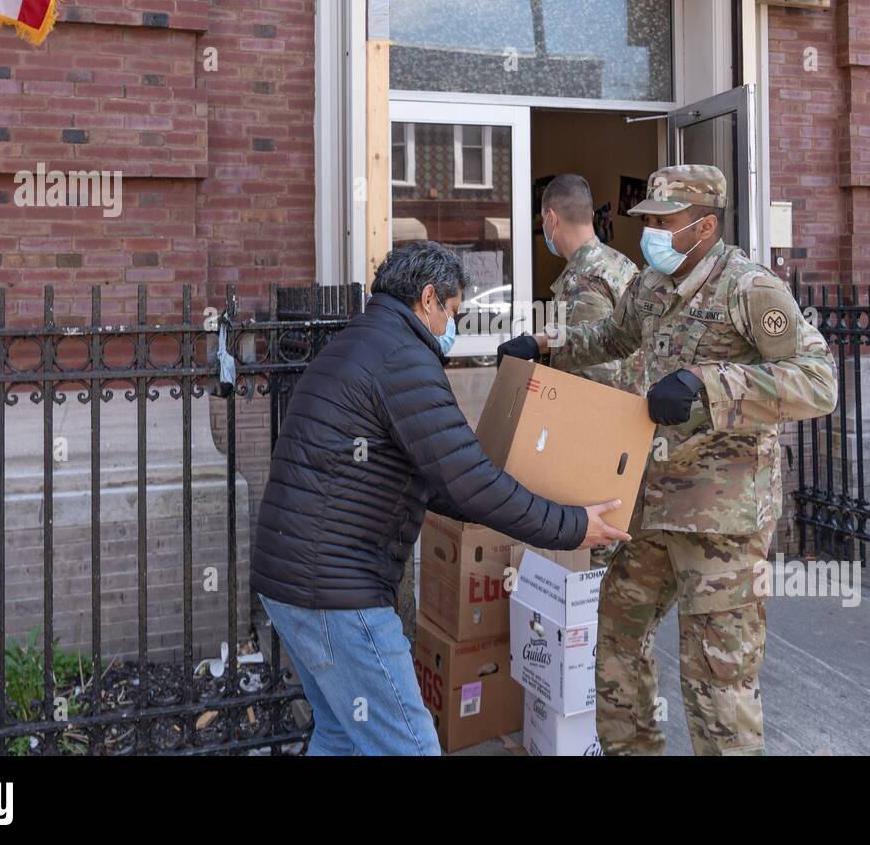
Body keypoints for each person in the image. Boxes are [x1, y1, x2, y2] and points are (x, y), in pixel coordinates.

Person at [499, 164, 838, 755]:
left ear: (703, 226)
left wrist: (711, 387)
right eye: (647, 219)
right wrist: (546, 347)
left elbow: (817, 380)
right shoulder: (652, 285)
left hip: (721, 521)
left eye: (663, 220)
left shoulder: (749, 288)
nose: (650, 231)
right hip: (650, 504)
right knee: (616, 646)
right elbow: (611, 339)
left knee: (715, 683)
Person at [252, 240, 628, 756]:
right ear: (428, 299)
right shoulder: (403, 359)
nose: (454, 325)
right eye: (453, 311)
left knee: (341, 736)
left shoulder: (361, 342)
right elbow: (467, 481)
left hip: (290, 580)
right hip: (334, 593)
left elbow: (438, 481)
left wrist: (521, 499)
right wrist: (571, 525)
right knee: (411, 745)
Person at [540, 173, 643, 568]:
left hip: (600, 448)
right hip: (627, 439)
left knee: (599, 568)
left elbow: (595, 375)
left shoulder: (583, 280)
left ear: (552, 218)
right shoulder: (621, 264)